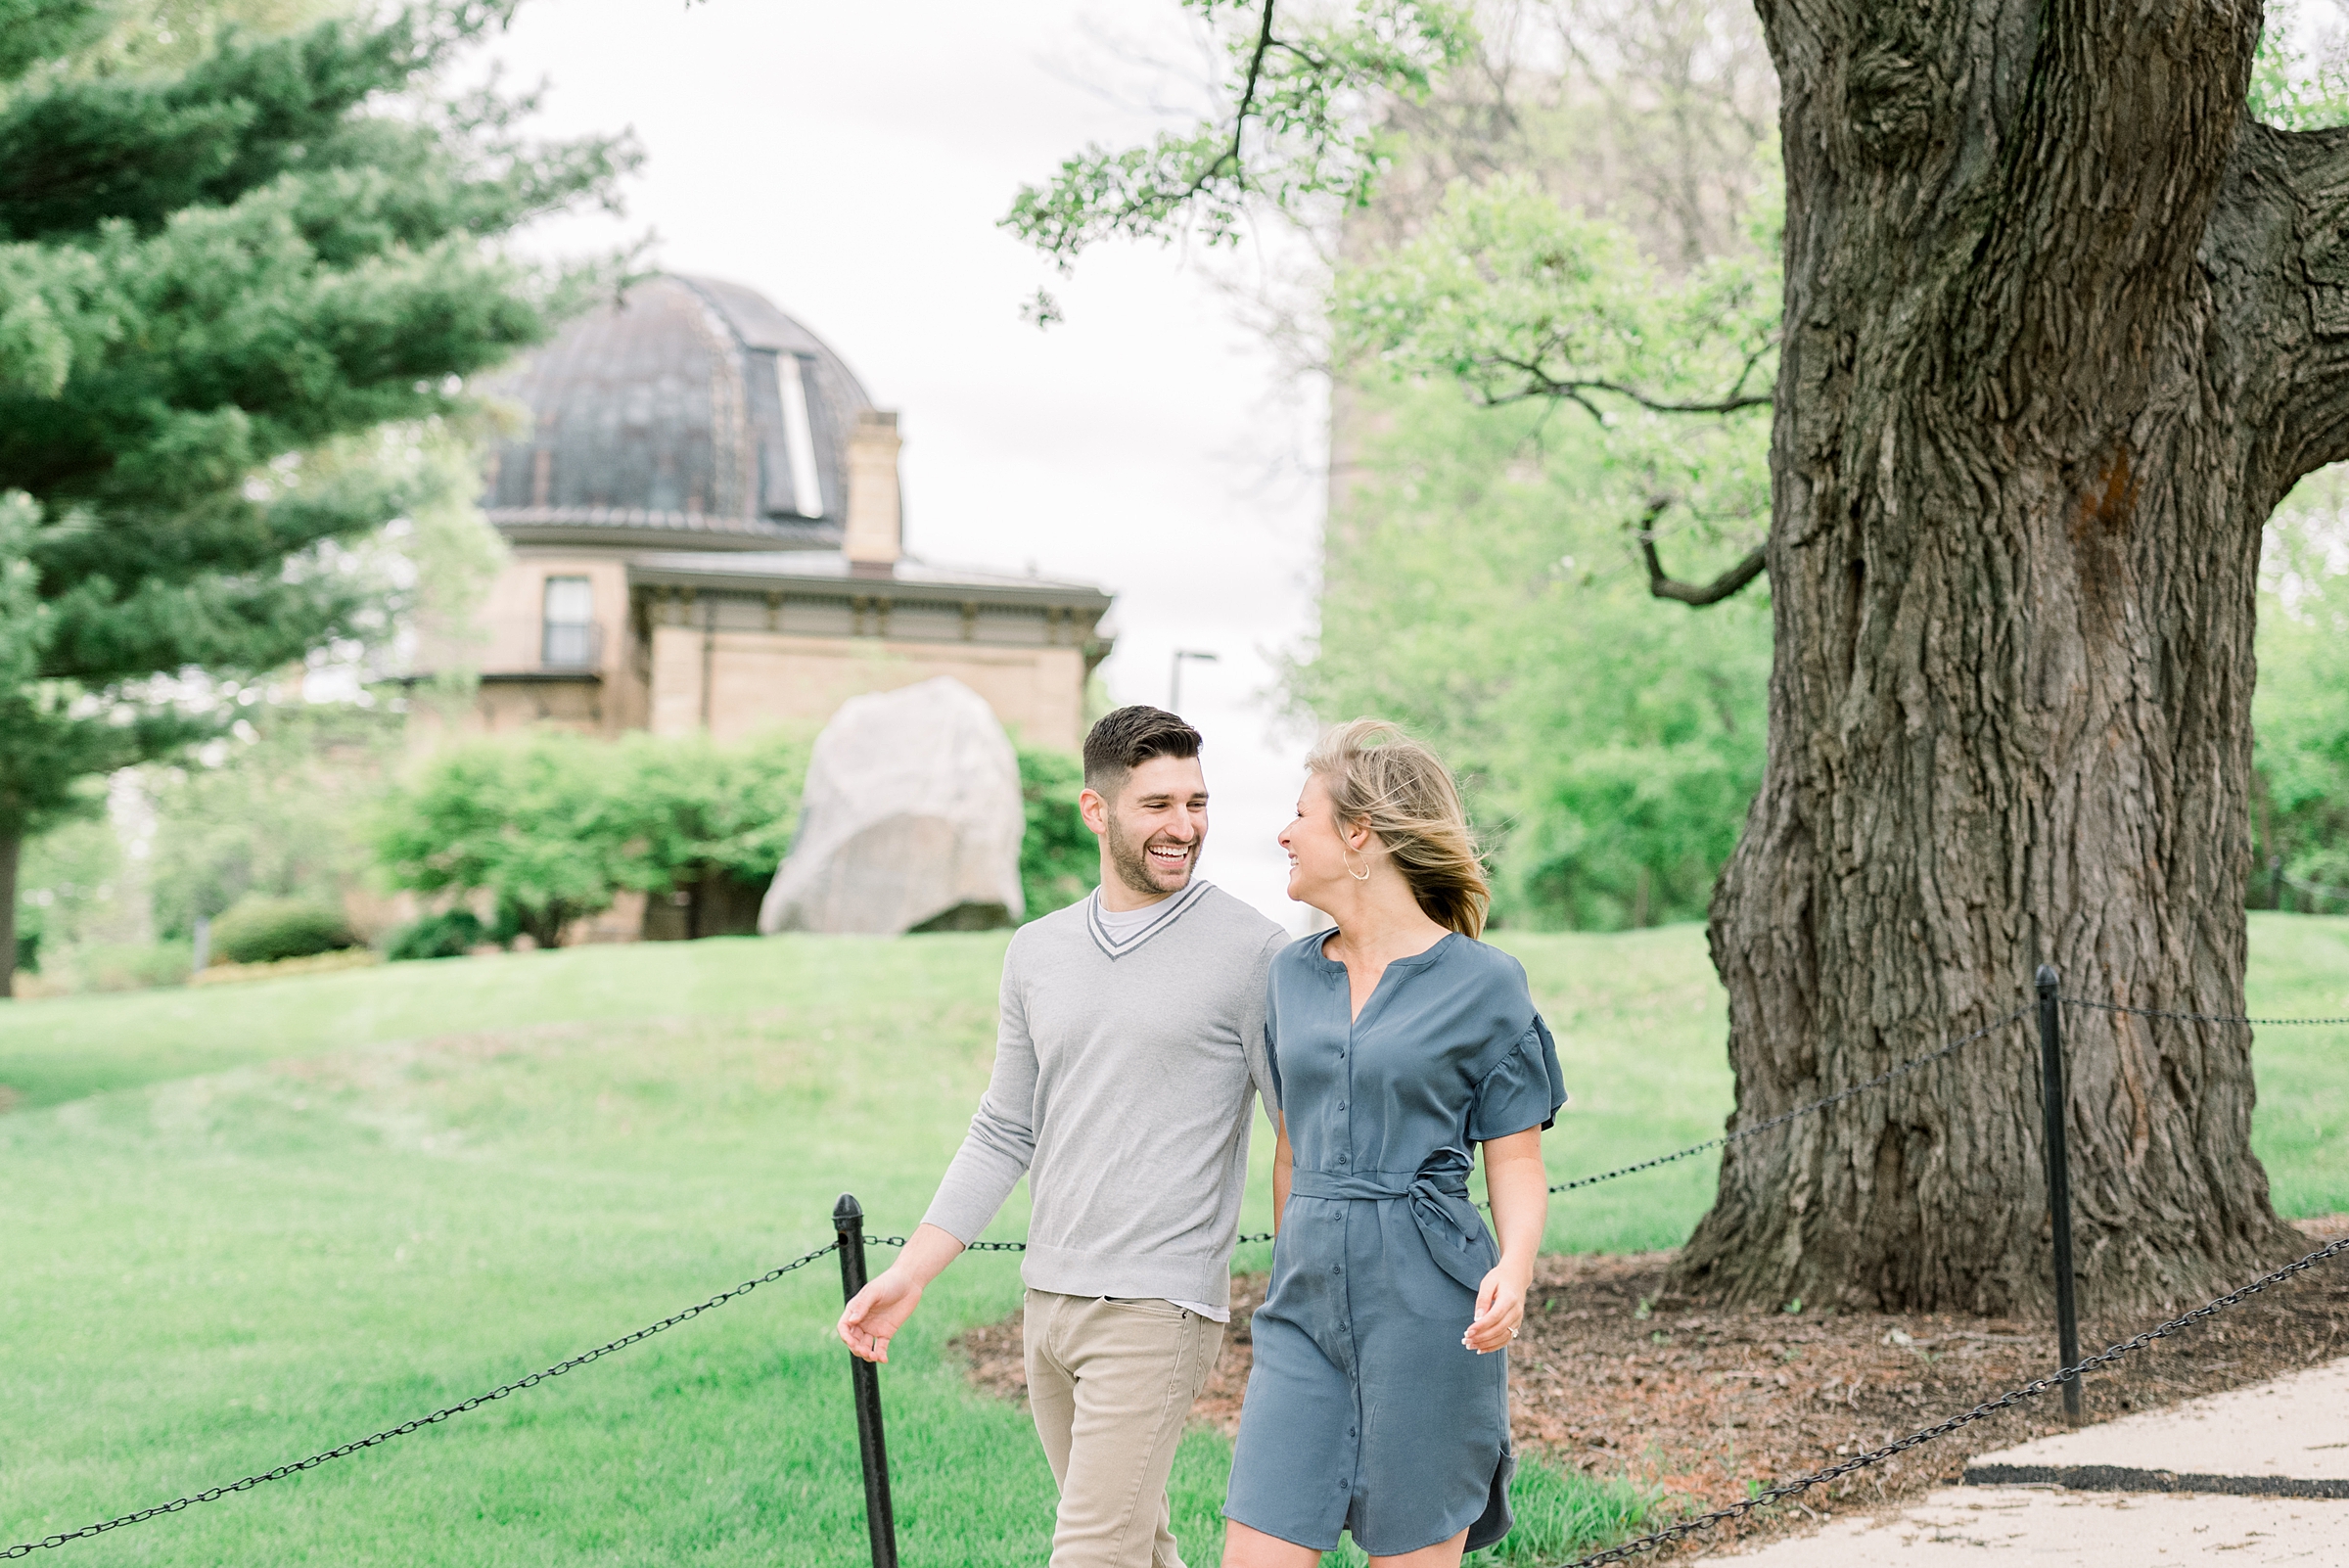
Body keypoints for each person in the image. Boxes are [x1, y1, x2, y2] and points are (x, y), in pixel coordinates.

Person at [837, 706, 1287, 1568]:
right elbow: (1006, 1127)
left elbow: (1295, 1134)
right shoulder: (1036, 953)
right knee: (1138, 1548)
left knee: (1089, 1554)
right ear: (1097, 810)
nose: (1183, 827)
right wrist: (909, 1273)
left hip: (1159, 1306)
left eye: (1196, 803)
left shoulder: (1252, 952)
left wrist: (1298, 1291)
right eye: (1157, 805)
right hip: (1048, 1302)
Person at [1222, 719, 1566, 1568]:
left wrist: (1513, 1272)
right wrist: (1284, 1268)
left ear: (1359, 834)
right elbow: (1291, 1146)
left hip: (1429, 1311)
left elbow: (1516, 1160)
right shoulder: (1290, 976)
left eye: (1301, 814)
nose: (1283, 833)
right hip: (1301, 1314)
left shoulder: (1484, 984)